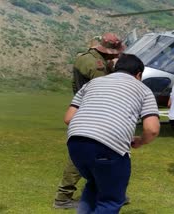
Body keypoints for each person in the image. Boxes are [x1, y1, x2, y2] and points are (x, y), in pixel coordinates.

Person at [65, 54, 160, 213]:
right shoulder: (143, 89)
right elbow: (152, 129)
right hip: (109, 147)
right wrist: (140, 141)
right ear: (138, 74)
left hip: (75, 143)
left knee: (94, 185)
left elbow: (68, 118)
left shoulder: (92, 83)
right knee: (111, 200)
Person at [53, 32, 126, 209]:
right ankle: (63, 196)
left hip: (82, 107)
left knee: (98, 152)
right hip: (93, 110)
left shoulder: (85, 57)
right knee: (83, 155)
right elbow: (104, 89)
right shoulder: (97, 66)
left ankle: (108, 192)